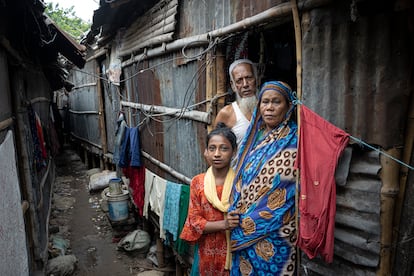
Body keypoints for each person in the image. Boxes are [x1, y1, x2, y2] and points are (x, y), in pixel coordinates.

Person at [227, 81, 298, 275]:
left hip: (277, 228)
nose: (269, 107)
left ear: (288, 106)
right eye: (265, 102)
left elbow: (291, 184)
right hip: (240, 223)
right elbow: (240, 175)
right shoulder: (252, 137)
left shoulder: (296, 139)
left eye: (276, 102)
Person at [180, 123, 238, 275]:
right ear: (206, 152)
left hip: (237, 252)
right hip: (207, 254)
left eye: (224, 148)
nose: (217, 154)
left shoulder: (241, 183)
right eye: (212, 148)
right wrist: (224, 224)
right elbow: (195, 222)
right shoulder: (198, 183)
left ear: (234, 152)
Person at [214, 59, 259, 147]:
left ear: (257, 80)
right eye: (239, 81)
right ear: (233, 85)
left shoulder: (268, 110)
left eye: (249, 78)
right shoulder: (226, 113)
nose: (245, 84)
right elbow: (216, 146)